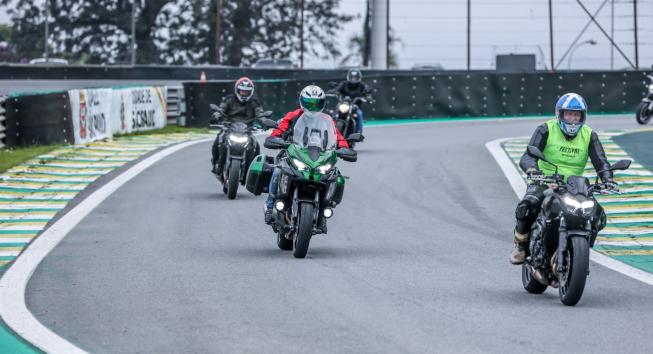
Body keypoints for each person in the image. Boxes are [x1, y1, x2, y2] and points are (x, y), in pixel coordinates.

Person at [510, 93, 618, 264]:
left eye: (576, 115)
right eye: (569, 114)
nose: (573, 119)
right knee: (527, 205)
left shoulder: (590, 135)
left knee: (598, 214)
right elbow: (527, 156)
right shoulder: (545, 129)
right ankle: (521, 244)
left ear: (583, 116)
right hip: (545, 181)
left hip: (574, 186)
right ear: (560, 114)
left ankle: (580, 251)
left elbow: (601, 162)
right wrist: (533, 170)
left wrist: (608, 179)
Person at [264, 85, 350, 225]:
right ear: (302, 101)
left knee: (335, 175)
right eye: (309, 103)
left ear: (322, 104)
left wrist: (344, 148)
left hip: (319, 156)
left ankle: (325, 207)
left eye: (316, 104)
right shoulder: (293, 115)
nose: (312, 107)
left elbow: (338, 136)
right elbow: (279, 129)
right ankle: (270, 205)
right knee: (278, 170)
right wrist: (276, 138)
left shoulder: (327, 119)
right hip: (293, 152)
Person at [211, 77, 264, 176]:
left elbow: (260, 113)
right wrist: (216, 116)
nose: (244, 93)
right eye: (242, 91)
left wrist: (264, 121)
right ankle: (215, 163)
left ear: (251, 92)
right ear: (237, 90)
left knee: (256, 146)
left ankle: (254, 171)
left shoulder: (254, 102)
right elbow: (221, 110)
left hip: (247, 130)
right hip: (229, 128)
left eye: (246, 91)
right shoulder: (229, 99)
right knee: (218, 139)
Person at [331, 69, 373, 136]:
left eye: (355, 78)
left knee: (359, 114)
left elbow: (367, 90)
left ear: (359, 78)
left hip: (355, 106)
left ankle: (358, 133)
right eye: (352, 77)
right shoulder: (344, 84)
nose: (353, 79)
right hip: (343, 104)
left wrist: (368, 96)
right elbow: (338, 88)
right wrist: (334, 91)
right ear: (349, 77)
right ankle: (330, 130)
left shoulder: (362, 85)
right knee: (334, 113)